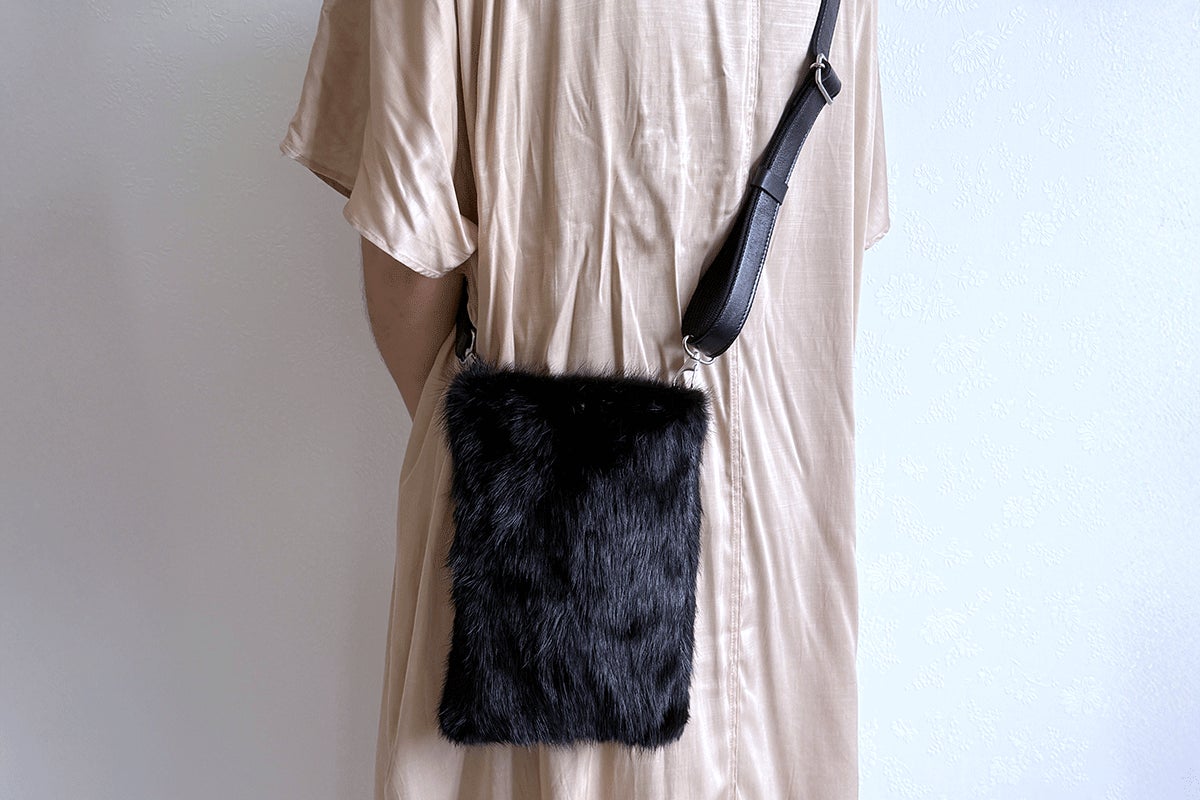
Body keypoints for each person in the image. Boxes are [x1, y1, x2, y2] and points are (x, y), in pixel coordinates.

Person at [278, 0, 890, 796]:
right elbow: (834, 243)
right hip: (787, 573)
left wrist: (519, 448)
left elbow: (407, 262)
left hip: (525, 562)